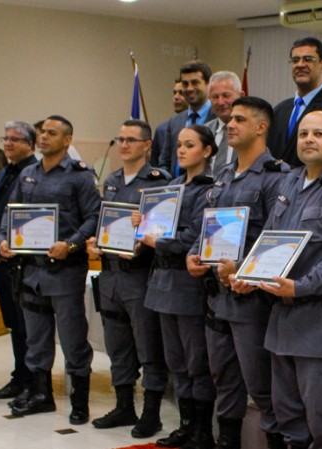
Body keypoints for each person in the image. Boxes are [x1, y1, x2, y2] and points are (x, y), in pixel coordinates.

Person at [232, 111, 322, 449]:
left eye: (319, 134)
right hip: (281, 320)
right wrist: (249, 274)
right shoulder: (288, 181)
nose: (309, 139)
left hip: (321, 320)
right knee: (288, 417)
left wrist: (303, 285)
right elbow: (270, 238)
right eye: (304, 133)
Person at [185, 96, 290, 449]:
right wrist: (193, 255)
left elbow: (276, 240)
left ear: (261, 127)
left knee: (260, 383)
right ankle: (227, 441)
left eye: (240, 119)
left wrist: (242, 267)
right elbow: (208, 230)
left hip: (252, 300)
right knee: (223, 377)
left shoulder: (278, 177)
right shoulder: (224, 175)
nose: (230, 124)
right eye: (230, 119)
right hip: (217, 297)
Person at [0, 115, 100, 423]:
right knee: (36, 338)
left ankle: (79, 401)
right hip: (30, 270)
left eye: (51, 133)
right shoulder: (28, 174)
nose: (43, 137)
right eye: (42, 132)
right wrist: (4, 239)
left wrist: (70, 245)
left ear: (67, 140)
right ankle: (41, 395)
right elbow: (12, 212)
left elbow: (93, 218)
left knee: (72, 339)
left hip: (64, 271)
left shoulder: (79, 176)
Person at [89, 119, 172, 437]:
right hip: (110, 275)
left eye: (131, 140)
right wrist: (96, 241)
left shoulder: (159, 183)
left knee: (148, 347)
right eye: (120, 139)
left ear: (147, 145)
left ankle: (151, 413)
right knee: (117, 347)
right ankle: (125, 406)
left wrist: (141, 244)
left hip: (139, 276)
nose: (123, 145)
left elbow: (163, 232)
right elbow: (105, 221)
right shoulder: (110, 180)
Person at [140, 125, 217, 449]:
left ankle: (202, 430)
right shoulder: (170, 186)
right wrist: (141, 224)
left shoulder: (209, 188)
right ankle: (185, 425)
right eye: (179, 145)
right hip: (162, 281)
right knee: (175, 360)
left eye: (190, 145)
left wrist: (159, 241)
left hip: (188, 283)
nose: (181, 150)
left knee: (196, 360)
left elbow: (195, 236)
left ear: (208, 150)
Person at [0, 121, 39, 402]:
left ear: (30, 143)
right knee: (13, 322)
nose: (8, 143)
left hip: (21, 259)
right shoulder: (6, 171)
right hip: (1, 255)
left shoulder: (32, 173)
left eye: (15, 139)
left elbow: (25, 215)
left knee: (25, 323)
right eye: (5, 138)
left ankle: (30, 379)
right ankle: (20, 375)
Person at [269, 37, 322, 168]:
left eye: (308, 59)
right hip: (275, 186)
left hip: (314, 186)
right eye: (295, 60)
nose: (300, 64)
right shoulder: (279, 110)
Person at [153, 61, 217, 175]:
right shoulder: (175, 122)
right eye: (185, 84)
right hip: (176, 188)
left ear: (208, 84)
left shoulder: (218, 118)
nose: (189, 88)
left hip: (208, 189)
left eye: (195, 83)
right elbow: (165, 162)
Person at [205, 71, 243, 171]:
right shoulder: (204, 131)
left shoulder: (251, 132)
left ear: (242, 96)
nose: (220, 102)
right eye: (215, 97)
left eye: (226, 96)